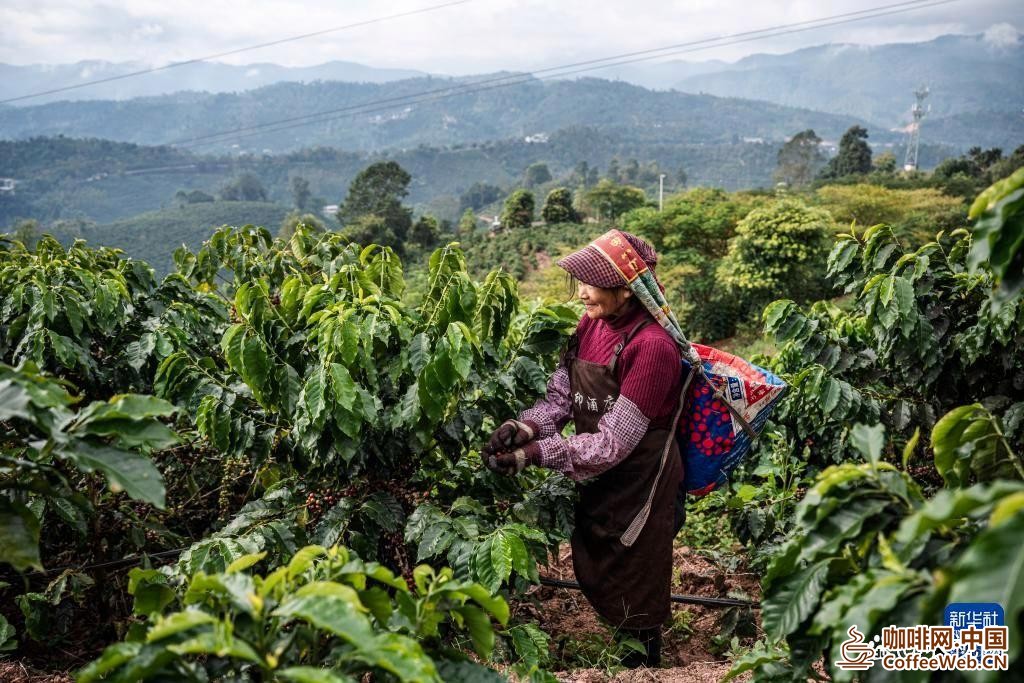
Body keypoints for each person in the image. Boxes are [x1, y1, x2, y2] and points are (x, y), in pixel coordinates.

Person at [483, 230, 684, 668]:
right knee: (604, 561)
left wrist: (535, 454)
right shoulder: (590, 324)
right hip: (599, 470)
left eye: (591, 285)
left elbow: (615, 441)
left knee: (637, 576)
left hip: (639, 476)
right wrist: (524, 427)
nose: (582, 295)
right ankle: (628, 653)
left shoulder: (653, 348)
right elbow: (561, 397)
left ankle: (642, 668)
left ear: (626, 289)